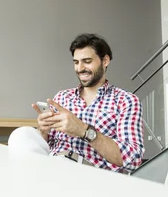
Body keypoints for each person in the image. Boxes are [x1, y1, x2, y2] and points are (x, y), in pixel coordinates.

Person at [8, 33, 144, 173]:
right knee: (21, 134)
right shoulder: (63, 97)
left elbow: (133, 159)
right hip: (53, 165)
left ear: (105, 60)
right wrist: (44, 131)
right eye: (76, 62)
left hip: (91, 175)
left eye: (87, 61)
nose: (80, 68)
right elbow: (47, 145)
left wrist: (83, 131)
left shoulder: (125, 100)